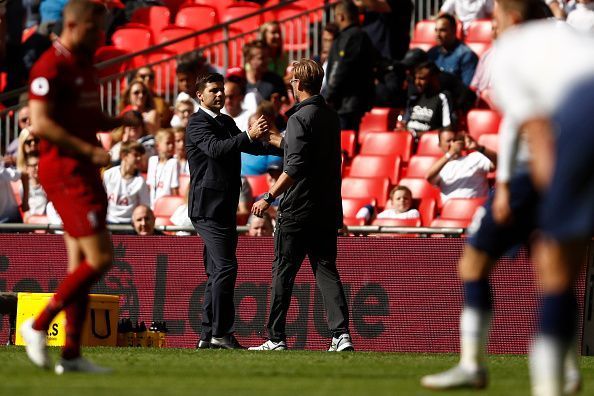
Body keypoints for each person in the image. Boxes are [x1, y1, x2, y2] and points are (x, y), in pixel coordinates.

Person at [419, 0, 572, 392]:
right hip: (568, 167)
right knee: (553, 274)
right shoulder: (567, 41)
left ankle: (474, 364)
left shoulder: (513, 53)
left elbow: (523, 122)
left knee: (473, 265)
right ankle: (565, 369)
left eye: (498, 20)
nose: (492, 27)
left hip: (528, 174)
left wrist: (505, 185)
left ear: (514, 20)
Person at [20, 0, 140, 374]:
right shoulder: (49, 66)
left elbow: (88, 115)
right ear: (72, 24)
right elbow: (40, 123)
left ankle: (71, 354)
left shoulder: (84, 64)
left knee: (80, 264)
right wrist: (89, 149)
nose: (101, 35)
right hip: (66, 172)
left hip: (85, 170)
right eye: (94, 28)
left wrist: (116, 120)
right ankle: (38, 325)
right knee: (101, 259)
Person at [490, 18, 594, 396]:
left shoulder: (506, 54)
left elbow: (538, 136)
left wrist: (554, 203)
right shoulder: (573, 34)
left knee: (554, 269)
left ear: (509, 19)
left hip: (582, 108)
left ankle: (552, 385)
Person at [250, 59, 353, 352]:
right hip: (326, 206)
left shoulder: (298, 118)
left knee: (283, 271)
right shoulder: (330, 116)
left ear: (298, 84)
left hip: (297, 208)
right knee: (325, 269)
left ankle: (275, 337)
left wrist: (268, 196)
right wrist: (274, 138)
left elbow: (294, 166)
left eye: (292, 81)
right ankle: (341, 334)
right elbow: (306, 152)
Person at [185, 72, 280, 350]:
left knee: (217, 270)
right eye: (213, 90)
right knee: (226, 267)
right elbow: (216, 149)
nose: (219, 95)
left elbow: (247, 145)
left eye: (221, 91)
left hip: (224, 206)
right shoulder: (197, 123)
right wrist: (248, 135)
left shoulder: (225, 122)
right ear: (200, 96)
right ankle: (221, 333)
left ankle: (206, 335)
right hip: (206, 207)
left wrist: (282, 145)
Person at [325, 0, 376, 131]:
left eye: (335, 16)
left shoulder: (351, 37)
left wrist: (329, 95)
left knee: (344, 142)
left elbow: (340, 67)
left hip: (347, 105)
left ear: (341, 16)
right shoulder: (359, 36)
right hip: (346, 104)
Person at [426, 128, 496, 203]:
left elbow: (497, 163)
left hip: (477, 210)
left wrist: (479, 148)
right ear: (440, 145)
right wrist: (450, 153)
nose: (453, 144)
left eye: (455, 140)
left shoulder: (476, 157)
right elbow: (428, 177)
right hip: (450, 211)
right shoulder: (440, 167)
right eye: (448, 141)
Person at [103, 141, 150, 224]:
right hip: (108, 222)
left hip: (129, 225)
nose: (139, 158)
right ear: (124, 156)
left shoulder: (141, 181)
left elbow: (145, 206)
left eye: (140, 156)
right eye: (135, 155)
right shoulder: (108, 174)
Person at [401, 62, 453, 136]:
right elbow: (404, 122)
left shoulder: (442, 97)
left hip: (427, 143)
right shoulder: (415, 98)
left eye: (422, 78)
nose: (417, 82)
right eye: (416, 78)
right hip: (407, 140)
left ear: (434, 79)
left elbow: (447, 129)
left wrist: (418, 135)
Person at [428, 13, 479, 86]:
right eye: (436, 30)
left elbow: (466, 90)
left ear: (454, 31)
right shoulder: (432, 53)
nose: (437, 35)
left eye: (442, 30)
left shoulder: (466, 55)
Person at [146, 129, 179, 209]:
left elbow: (174, 188)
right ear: (157, 146)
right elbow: (149, 186)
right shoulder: (152, 161)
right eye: (168, 143)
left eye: (172, 143)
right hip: (152, 204)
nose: (171, 146)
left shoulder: (174, 162)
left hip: (166, 205)